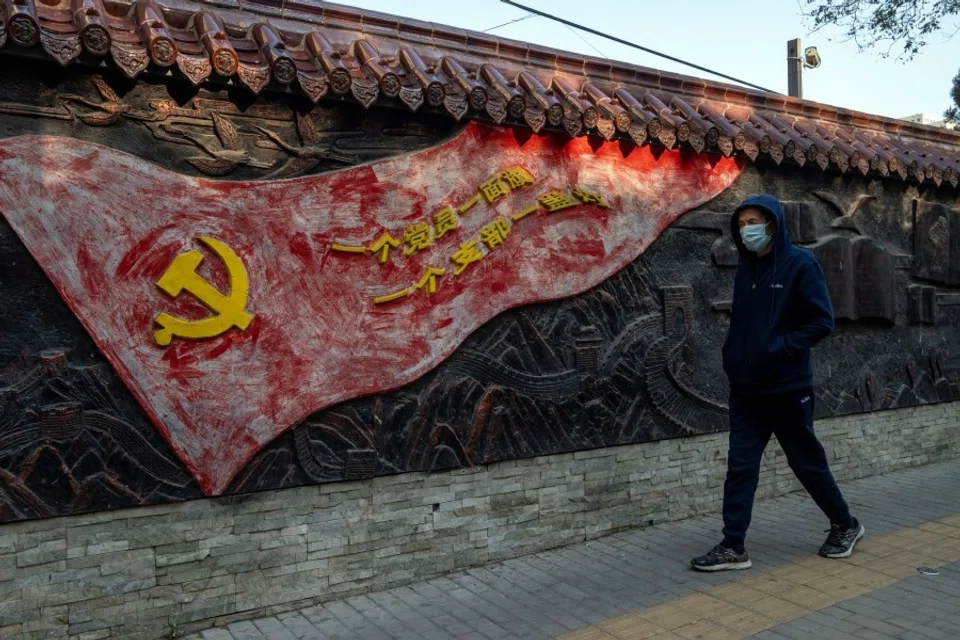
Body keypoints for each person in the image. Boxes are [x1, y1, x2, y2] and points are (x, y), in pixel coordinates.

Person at [691, 194, 864, 572]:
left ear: (772, 223)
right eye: (740, 223)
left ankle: (845, 524)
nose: (745, 229)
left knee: (806, 463)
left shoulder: (801, 264)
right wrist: (733, 355)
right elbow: (742, 323)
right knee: (740, 466)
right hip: (747, 390)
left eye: (753, 221)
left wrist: (778, 348)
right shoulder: (746, 267)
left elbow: (822, 322)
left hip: (788, 388)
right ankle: (733, 545)